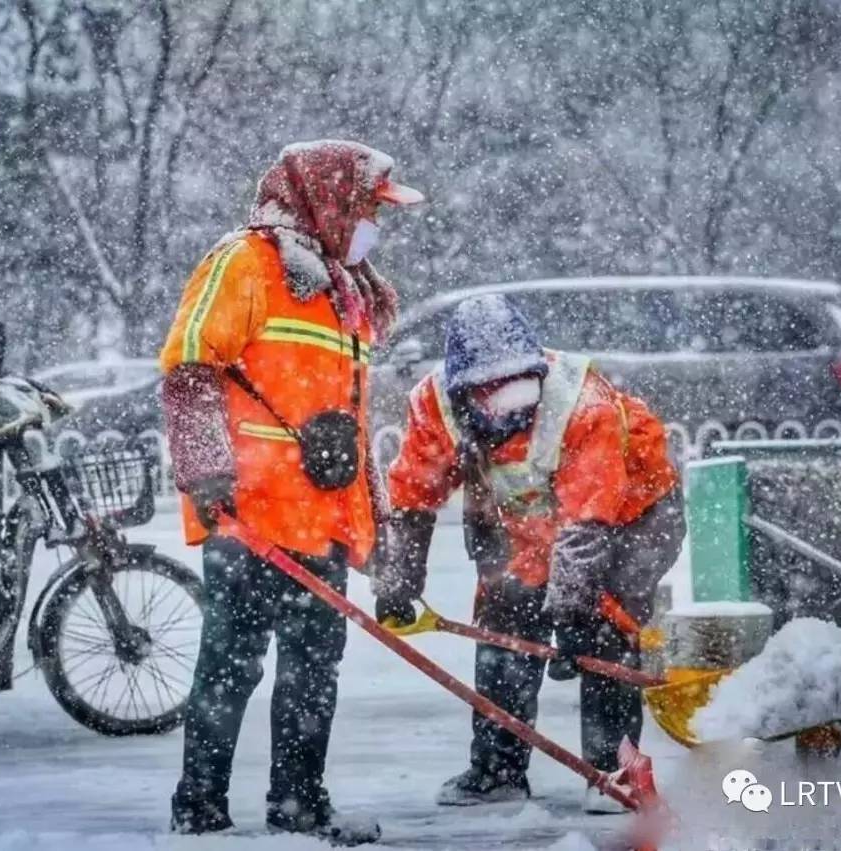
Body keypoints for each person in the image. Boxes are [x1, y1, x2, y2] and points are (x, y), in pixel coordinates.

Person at [159, 140, 422, 843]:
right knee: (230, 669)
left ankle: (300, 802)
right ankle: (200, 807)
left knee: (312, 676)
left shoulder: (346, 291)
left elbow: (353, 425)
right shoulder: (244, 262)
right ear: (327, 198)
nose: (373, 224)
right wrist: (208, 470)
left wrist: (383, 538)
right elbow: (189, 367)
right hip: (250, 518)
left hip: (323, 523)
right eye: (368, 208)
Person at [372, 294, 683, 812]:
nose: (517, 409)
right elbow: (411, 499)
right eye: (498, 397)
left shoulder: (583, 404)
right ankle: (497, 770)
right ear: (466, 393)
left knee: (606, 627)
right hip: (527, 524)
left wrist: (574, 614)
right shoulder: (435, 407)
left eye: (523, 390)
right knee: (504, 623)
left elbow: (588, 523)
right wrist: (398, 584)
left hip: (634, 517)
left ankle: (613, 771)